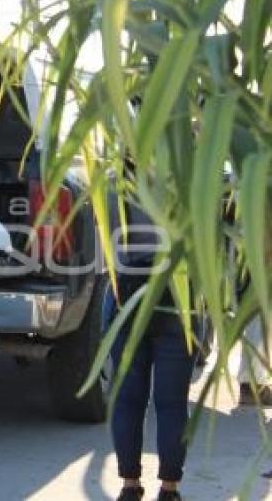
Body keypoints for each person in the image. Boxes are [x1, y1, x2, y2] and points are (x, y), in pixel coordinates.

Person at [106, 194, 199, 501]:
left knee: (127, 400)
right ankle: (170, 489)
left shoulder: (113, 184)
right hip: (179, 295)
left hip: (127, 294)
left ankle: (129, 486)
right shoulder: (190, 176)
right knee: (172, 403)